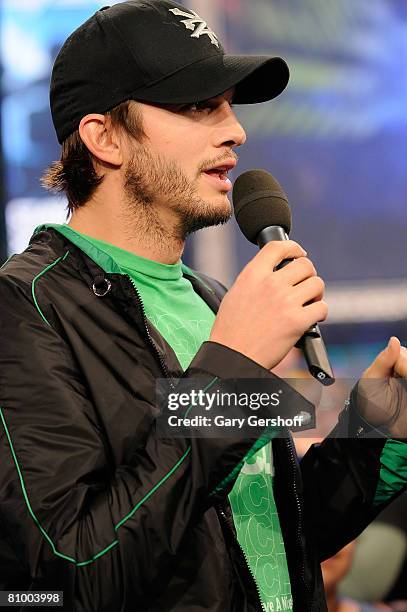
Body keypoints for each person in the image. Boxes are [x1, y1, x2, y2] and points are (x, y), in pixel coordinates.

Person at [0, 2, 406, 611]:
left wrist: (380, 431)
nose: (235, 130)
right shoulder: (26, 307)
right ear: (103, 137)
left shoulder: (211, 301)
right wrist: (231, 367)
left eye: (228, 102)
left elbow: (268, 537)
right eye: (196, 106)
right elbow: (63, 578)